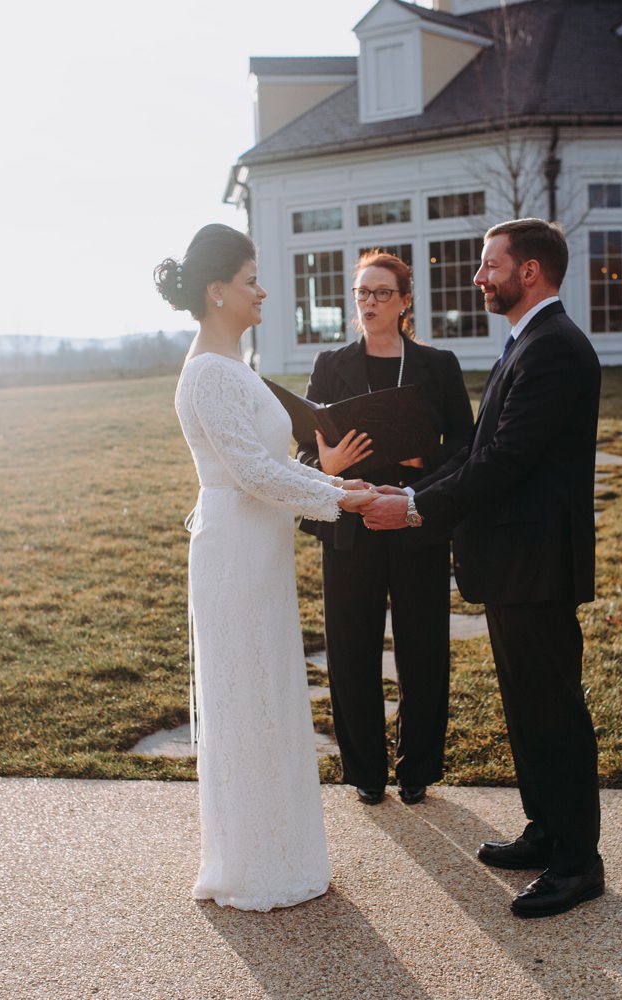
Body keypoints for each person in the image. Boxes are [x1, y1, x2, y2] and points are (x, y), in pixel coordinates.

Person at [363, 218, 603, 919]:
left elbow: (502, 464)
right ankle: (546, 829)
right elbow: (476, 453)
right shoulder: (527, 342)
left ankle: (577, 863)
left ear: (529, 271)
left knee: (553, 711)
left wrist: (411, 512)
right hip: (512, 563)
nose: (478, 276)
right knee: (527, 708)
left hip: (536, 563)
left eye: (489, 265)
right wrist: (408, 493)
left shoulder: (554, 349)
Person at [158, 223, 376, 911]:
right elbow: (251, 473)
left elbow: (267, 467)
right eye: (251, 280)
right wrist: (342, 499)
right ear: (217, 291)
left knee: (271, 689)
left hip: (259, 547)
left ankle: (281, 850)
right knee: (247, 696)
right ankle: (251, 865)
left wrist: (329, 481)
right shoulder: (207, 373)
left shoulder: (233, 369)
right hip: (234, 553)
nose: (262, 292)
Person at [295, 251, 474, 807]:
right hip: (351, 525)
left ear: (404, 300)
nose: (369, 303)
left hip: (416, 521)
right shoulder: (330, 364)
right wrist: (329, 466)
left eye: (381, 293)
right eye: (361, 293)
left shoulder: (437, 365)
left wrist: (423, 473)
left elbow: (466, 448)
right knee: (350, 649)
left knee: (423, 648)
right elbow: (305, 450)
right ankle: (366, 771)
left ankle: (418, 767)